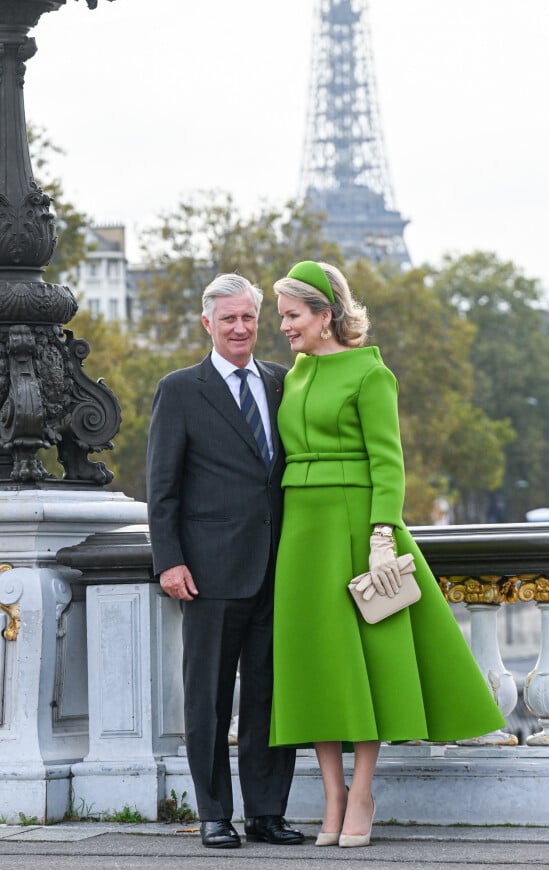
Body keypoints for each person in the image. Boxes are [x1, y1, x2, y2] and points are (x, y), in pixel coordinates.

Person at [270, 260, 506, 848]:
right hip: (300, 529)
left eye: (292, 316)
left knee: (364, 660)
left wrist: (381, 535)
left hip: (355, 527)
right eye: (282, 317)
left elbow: (388, 462)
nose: (284, 327)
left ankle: (362, 793)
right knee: (316, 665)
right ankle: (330, 795)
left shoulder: (371, 373)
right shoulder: (293, 376)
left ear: (325, 316)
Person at [146, 273, 304, 850]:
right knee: (208, 698)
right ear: (207, 324)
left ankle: (267, 813)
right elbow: (162, 486)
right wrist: (169, 560)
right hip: (208, 572)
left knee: (270, 695)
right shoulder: (181, 389)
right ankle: (214, 813)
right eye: (229, 318)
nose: (241, 328)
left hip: (280, 566)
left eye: (250, 318)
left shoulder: (287, 384)